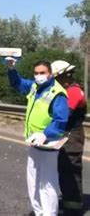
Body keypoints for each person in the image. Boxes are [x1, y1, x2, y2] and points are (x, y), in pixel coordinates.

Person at [6, 59, 69, 215]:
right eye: (36, 73)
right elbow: (18, 84)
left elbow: (61, 120)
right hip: (34, 143)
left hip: (48, 144)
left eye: (42, 73)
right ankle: (38, 211)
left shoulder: (57, 92)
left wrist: (45, 134)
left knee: (47, 183)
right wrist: (11, 69)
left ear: (50, 74)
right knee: (33, 181)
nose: (39, 76)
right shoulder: (35, 86)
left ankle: (49, 213)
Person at [51, 60, 86, 215]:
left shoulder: (73, 92)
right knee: (64, 169)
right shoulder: (71, 89)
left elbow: (64, 115)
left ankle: (73, 207)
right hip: (69, 134)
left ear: (63, 76)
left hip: (72, 135)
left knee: (70, 170)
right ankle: (68, 200)